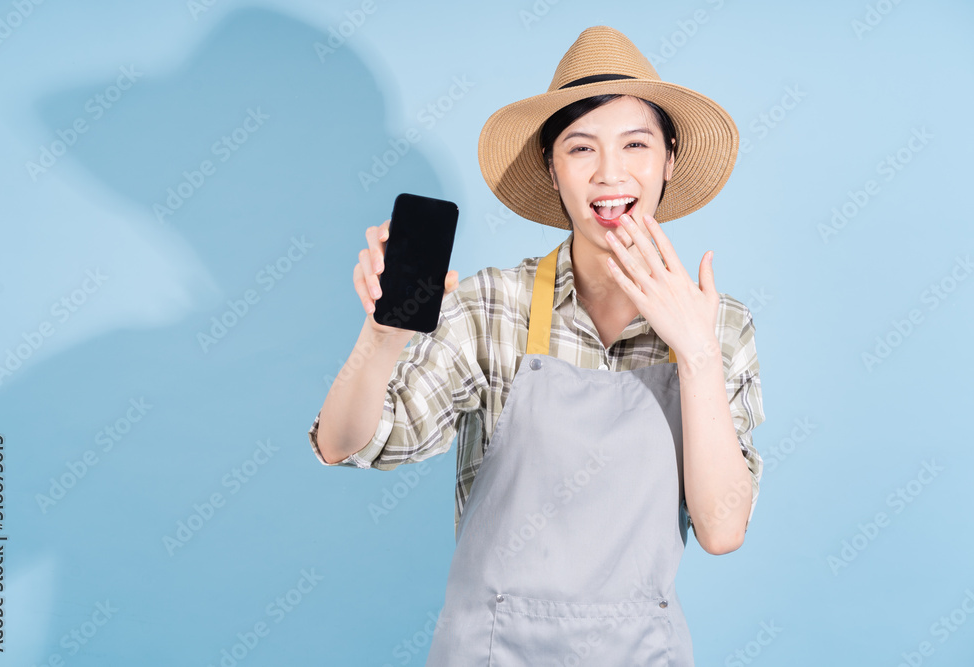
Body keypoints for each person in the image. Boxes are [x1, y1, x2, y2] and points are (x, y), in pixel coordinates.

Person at [310, 25, 765, 665]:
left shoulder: (719, 324)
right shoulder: (492, 307)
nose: (610, 173)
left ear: (670, 160)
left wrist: (695, 353)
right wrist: (380, 340)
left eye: (635, 144)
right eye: (581, 148)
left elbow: (721, 529)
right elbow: (346, 444)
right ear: (553, 169)